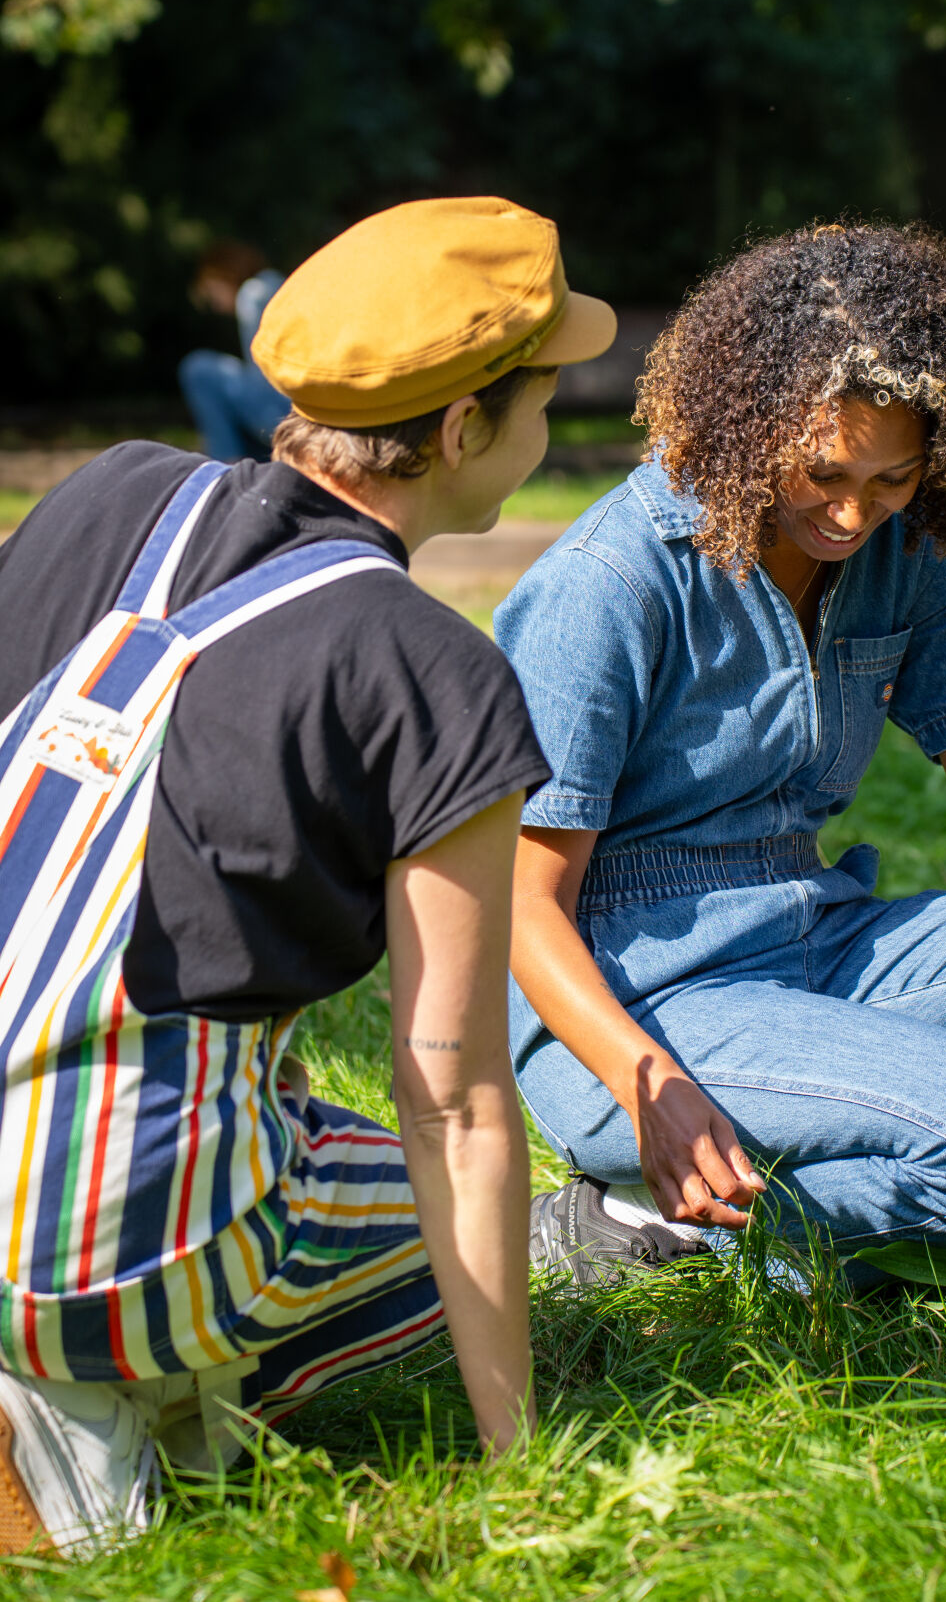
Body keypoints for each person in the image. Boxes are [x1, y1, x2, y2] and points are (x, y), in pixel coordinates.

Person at [0, 195, 615, 1556]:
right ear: (461, 430)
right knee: (494, 1225)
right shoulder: (433, 673)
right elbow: (454, 1095)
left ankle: (118, 1376)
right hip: (89, 1236)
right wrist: (522, 1460)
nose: (546, 437)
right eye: (542, 406)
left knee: (286, 1106)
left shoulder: (105, 489)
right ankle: (95, 1397)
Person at [495, 222, 946, 1286]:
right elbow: (519, 910)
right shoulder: (609, 587)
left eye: (894, 479)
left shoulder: (913, 557)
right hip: (637, 1013)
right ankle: (660, 1227)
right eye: (823, 473)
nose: (854, 513)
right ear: (740, 423)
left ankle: (830, 1183)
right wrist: (645, 1084)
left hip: (817, 945)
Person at [179, 239, 290, 461]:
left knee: (198, 368)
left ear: (222, 276)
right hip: (301, 415)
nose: (217, 306)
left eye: (211, 294)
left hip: (283, 416)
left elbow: (265, 377)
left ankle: (225, 463)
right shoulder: (274, 283)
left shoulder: (253, 294)